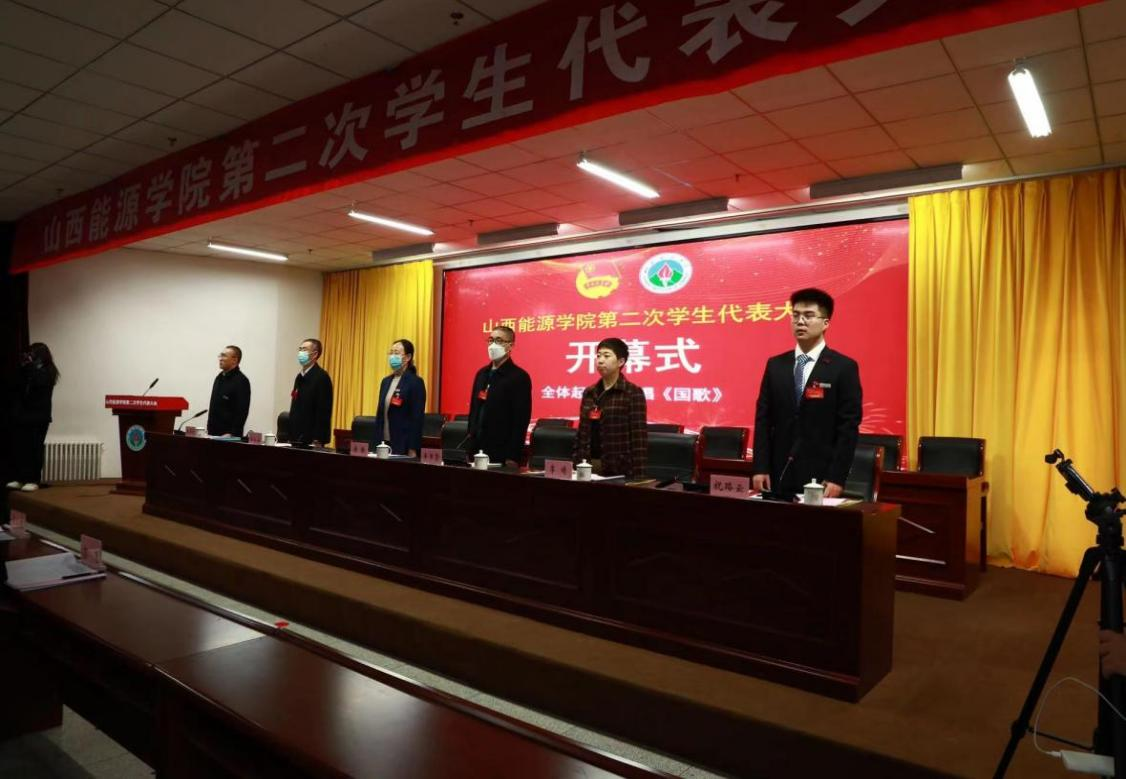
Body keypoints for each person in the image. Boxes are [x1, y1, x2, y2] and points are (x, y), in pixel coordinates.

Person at [751, 288, 862, 499]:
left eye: (809, 315)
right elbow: (763, 420)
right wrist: (760, 467)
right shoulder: (776, 365)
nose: (800, 321)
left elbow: (848, 427)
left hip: (821, 476)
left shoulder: (843, 367)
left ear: (825, 323)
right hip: (777, 472)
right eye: (795, 315)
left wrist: (837, 477)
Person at [574, 337, 648, 479]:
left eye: (606, 356)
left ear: (621, 362)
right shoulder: (589, 392)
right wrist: (576, 460)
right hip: (586, 464)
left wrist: (639, 478)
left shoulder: (632, 392)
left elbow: (639, 439)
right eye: (598, 356)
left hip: (618, 468)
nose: (600, 360)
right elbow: (581, 432)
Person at [466, 325, 531, 467]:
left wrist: (512, 456)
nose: (493, 345)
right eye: (491, 340)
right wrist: (469, 443)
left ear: (510, 346)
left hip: (501, 452)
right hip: (476, 449)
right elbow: (474, 411)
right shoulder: (482, 374)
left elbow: (520, 421)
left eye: (499, 340)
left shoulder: (519, 377)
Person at [5, 343, 59, 493]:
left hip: (39, 417)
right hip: (23, 416)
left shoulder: (48, 371)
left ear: (41, 355)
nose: (30, 356)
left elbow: (39, 382)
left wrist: (29, 367)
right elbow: (16, 384)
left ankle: (33, 480)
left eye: (33, 353)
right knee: (21, 448)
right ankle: (20, 478)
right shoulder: (29, 370)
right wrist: (23, 367)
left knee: (35, 448)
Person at [373, 339, 426, 456]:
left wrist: (412, 448)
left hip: (403, 444)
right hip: (383, 443)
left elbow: (417, 419)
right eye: (391, 353)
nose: (392, 356)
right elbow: (380, 415)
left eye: (396, 353)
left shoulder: (415, 382)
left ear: (407, 357)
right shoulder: (386, 381)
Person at [289, 338, 333, 446]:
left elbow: (324, 411)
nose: (301, 353)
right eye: (300, 349)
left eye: (304, 350)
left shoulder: (322, 377)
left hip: (312, 439)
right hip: (296, 437)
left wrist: (318, 439)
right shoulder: (299, 377)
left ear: (315, 354)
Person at [207, 345, 251, 437]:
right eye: (220, 355)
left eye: (224, 356)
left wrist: (233, 433)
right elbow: (213, 406)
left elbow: (242, 411)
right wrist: (209, 429)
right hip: (213, 434)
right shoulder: (219, 378)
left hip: (229, 437)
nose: (220, 359)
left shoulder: (241, 381)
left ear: (234, 360)